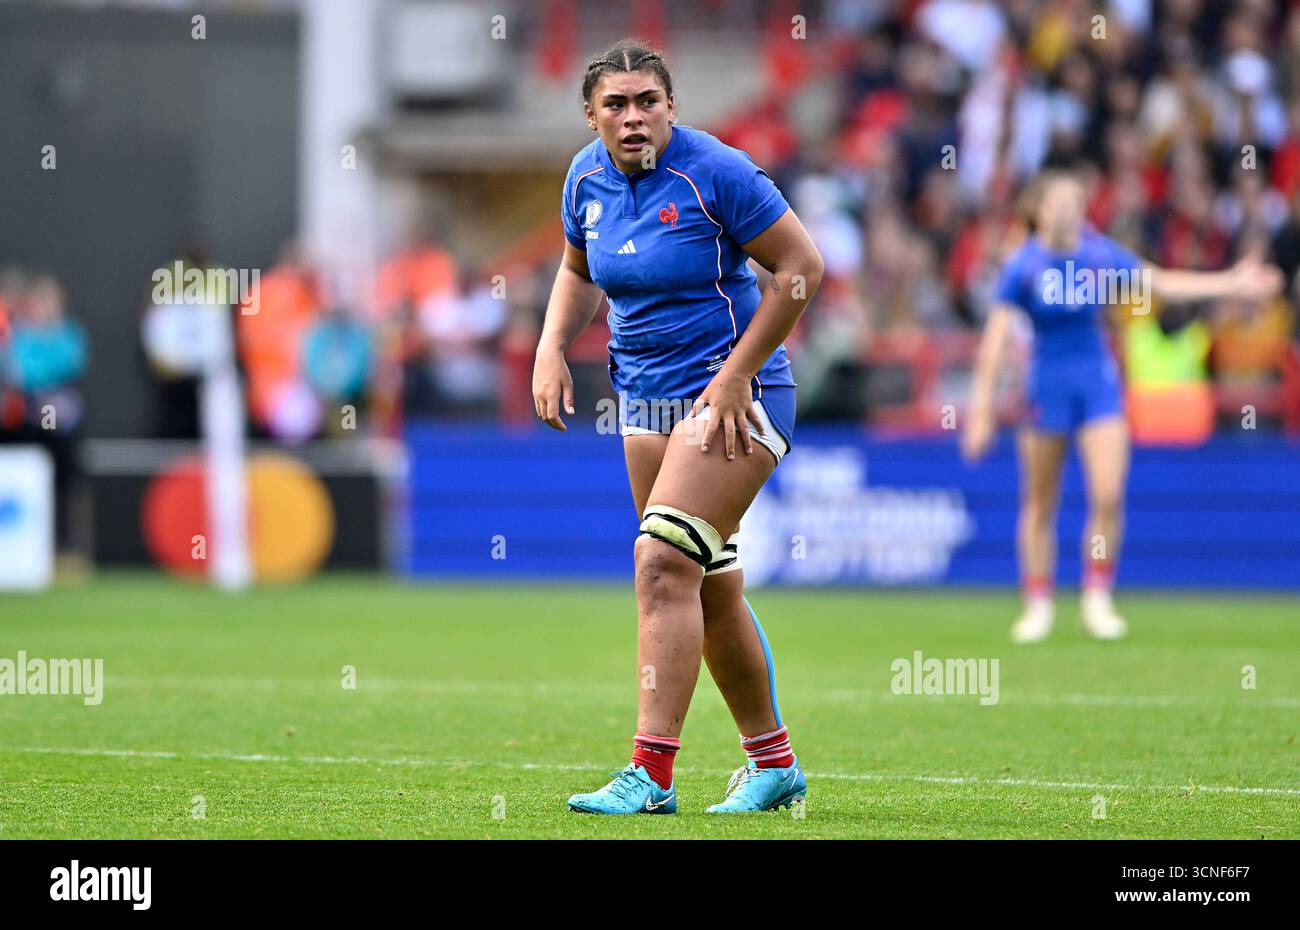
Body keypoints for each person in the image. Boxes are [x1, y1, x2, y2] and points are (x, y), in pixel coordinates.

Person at [532, 39, 824, 814]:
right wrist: (551, 347)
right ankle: (774, 764)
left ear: (672, 107)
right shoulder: (583, 179)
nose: (633, 118)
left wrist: (733, 376)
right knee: (705, 584)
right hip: (646, 405)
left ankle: (651, 774)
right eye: (616, 106)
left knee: (660, 563)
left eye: (647, 102)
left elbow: (801, 268)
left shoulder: (716, 170)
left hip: (738, 396)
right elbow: (575, 269)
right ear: (590, 116)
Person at [962, 169, 1283, 643]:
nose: (1069, 209)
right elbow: (995, 340)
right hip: (1044, 387)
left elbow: (1161, 282)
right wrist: (980, 411)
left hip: (1097, 385)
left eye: (1076, 200)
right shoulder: (1023, 265)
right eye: (1058, 201)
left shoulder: (1099, 255)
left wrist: (1231, 283)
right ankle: (1038, 601)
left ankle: (1096, 594)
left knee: (1108, 493)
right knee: (1040, 500)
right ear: (1039, 210)